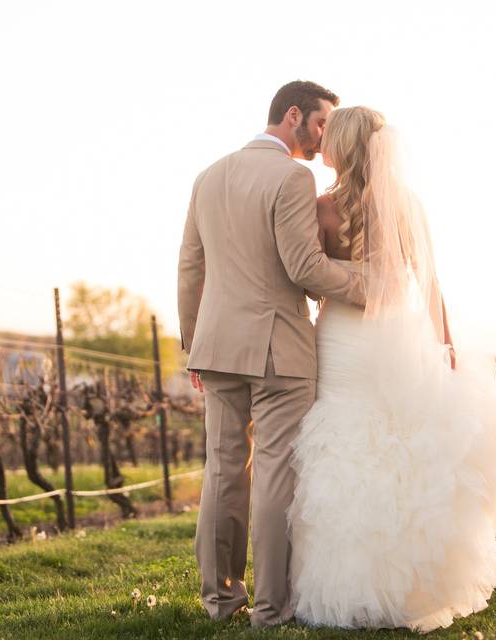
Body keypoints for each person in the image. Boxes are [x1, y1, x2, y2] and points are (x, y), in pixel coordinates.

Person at [286, 105, 496, 633]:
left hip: (342, 340)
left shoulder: (322, 209)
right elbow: (430, 284)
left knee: (343, 445)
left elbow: (313, 282)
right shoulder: (408, 206)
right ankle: (409, 584)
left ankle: (344, 585)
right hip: (395, 337)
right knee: (400, 443)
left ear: (342, 147)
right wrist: (446, 346)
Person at [177, 80, 365, 628]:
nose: (326, 135)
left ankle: (220, 601)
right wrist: (368, 279)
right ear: (293, 115)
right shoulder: (293, 176)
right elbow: (306, 269)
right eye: (323, 122)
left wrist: (193, 344)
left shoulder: (208, 176)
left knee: (222, 471)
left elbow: (191, 268)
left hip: (215, 348)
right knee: (276, 473)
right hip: (278, 351)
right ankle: (271, 608)